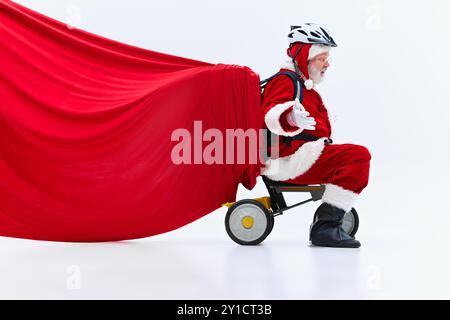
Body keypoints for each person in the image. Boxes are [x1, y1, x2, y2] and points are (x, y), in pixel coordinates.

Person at [261, 23, 371, 248]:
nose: (327, 64)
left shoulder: (302, 84)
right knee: (358, 156)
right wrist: (289, 119)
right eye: (322, 58)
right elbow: (271, 115)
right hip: (289, 161)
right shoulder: (285, 81)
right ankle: (325, 228)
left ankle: (329, 219)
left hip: (298, 156)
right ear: (304, 57)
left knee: (353, 156)